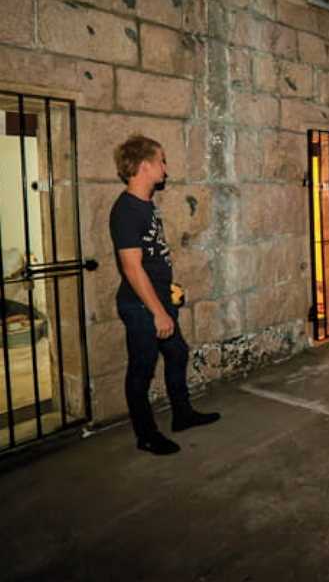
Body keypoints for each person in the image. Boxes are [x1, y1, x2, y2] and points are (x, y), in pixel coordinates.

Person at [109, 135, 220, 456]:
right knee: (141, 370)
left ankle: (182, 415)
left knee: (177, 353)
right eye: (162, 161)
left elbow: (151, 257)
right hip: (141, 306)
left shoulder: (145, 205)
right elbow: (131, 268)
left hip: (158, 299)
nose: (165, 168)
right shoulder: (127, 210)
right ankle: (146, 434)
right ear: (144, 166)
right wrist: (157, 311)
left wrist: (168, 289)